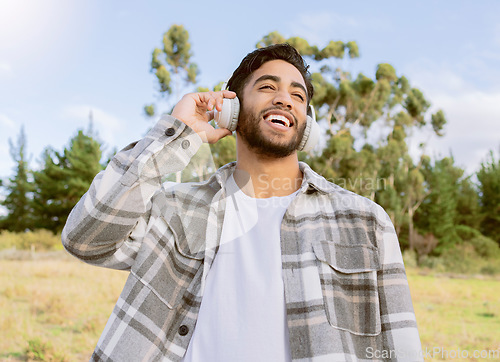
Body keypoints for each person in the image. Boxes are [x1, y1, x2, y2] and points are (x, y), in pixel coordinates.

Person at [62, 44, 422, 361]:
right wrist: (177, 133)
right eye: (267, 87)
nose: (284, 99)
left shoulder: (364, 221)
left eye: (298, 96)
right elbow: (85, 239)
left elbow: (401, 348)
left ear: (306, 126)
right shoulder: (175, 208)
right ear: (230, 110)